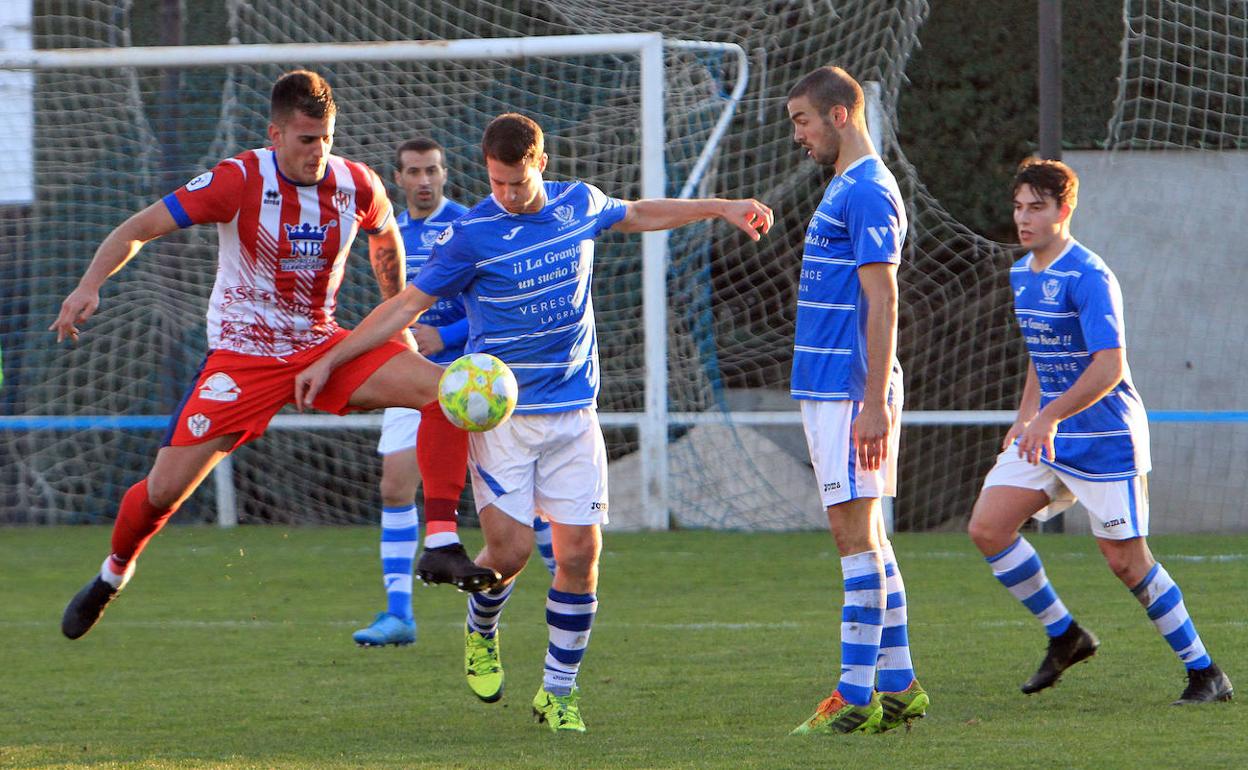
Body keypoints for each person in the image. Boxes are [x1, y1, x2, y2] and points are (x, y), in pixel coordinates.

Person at [294, 112, 772, 732]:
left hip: (575, 414)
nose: (507, 195)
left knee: (579, 557)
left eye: (516, 183)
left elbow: (639, 213)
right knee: (511, 554)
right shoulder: (471, 234)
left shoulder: (578, 204)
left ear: (540, 165)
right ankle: (482, 628)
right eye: (496, 183)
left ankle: (558, 692)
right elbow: (405, 306)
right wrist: (334, 357)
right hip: (504, 422)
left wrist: (722, 207)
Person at [52, 70, 474, 641]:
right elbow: (139, 228)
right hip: (242, 359)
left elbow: (384, 238)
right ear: (275, 134)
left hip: (323, 345)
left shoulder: (357, 183)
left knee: (444, 388)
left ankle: (443, 541)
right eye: (305, 139)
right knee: (161, 492)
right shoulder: (238, 180)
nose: (317, 152)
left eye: (326, 137)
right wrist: (88, 285)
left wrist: (397, 316)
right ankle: (113, 573)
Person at [966, 158, 1233, 705]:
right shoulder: (1023, 274)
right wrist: (1026, 416)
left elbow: (1108, 367)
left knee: (1126, 562)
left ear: (1065, 211)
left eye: (1036, 208)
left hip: (1106, 436)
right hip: (1050, 430)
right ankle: (1066, 635)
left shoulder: (1089, 275)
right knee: (988, 527)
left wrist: (1046, 417)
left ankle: (1206, 672)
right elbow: (1043, 355)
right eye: (1018, 207)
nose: (1023, 218)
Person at [784, 66, 928, 736]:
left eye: (803, 120)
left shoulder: (869, 189)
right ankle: (899, 686)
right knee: (867, 536)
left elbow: (884, 297)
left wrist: (872, 400)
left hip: (849, 392)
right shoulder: (845, 186)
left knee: (853, 538)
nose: (798, 135)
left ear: (840, 115)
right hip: (830, 389)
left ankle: (853, 692)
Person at [351, 138, 498, 648]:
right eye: (413, 171)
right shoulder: (387, 231)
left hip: (466, 375)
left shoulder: (468, 223)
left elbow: (488, 297)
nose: (423, 180)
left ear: (445, 173)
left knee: (510, 485)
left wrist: (448, 335)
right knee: (394, 485)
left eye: (431, 170)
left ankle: (561, 570)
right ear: (399, 178)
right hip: (410, 371)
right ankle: (399, 615)